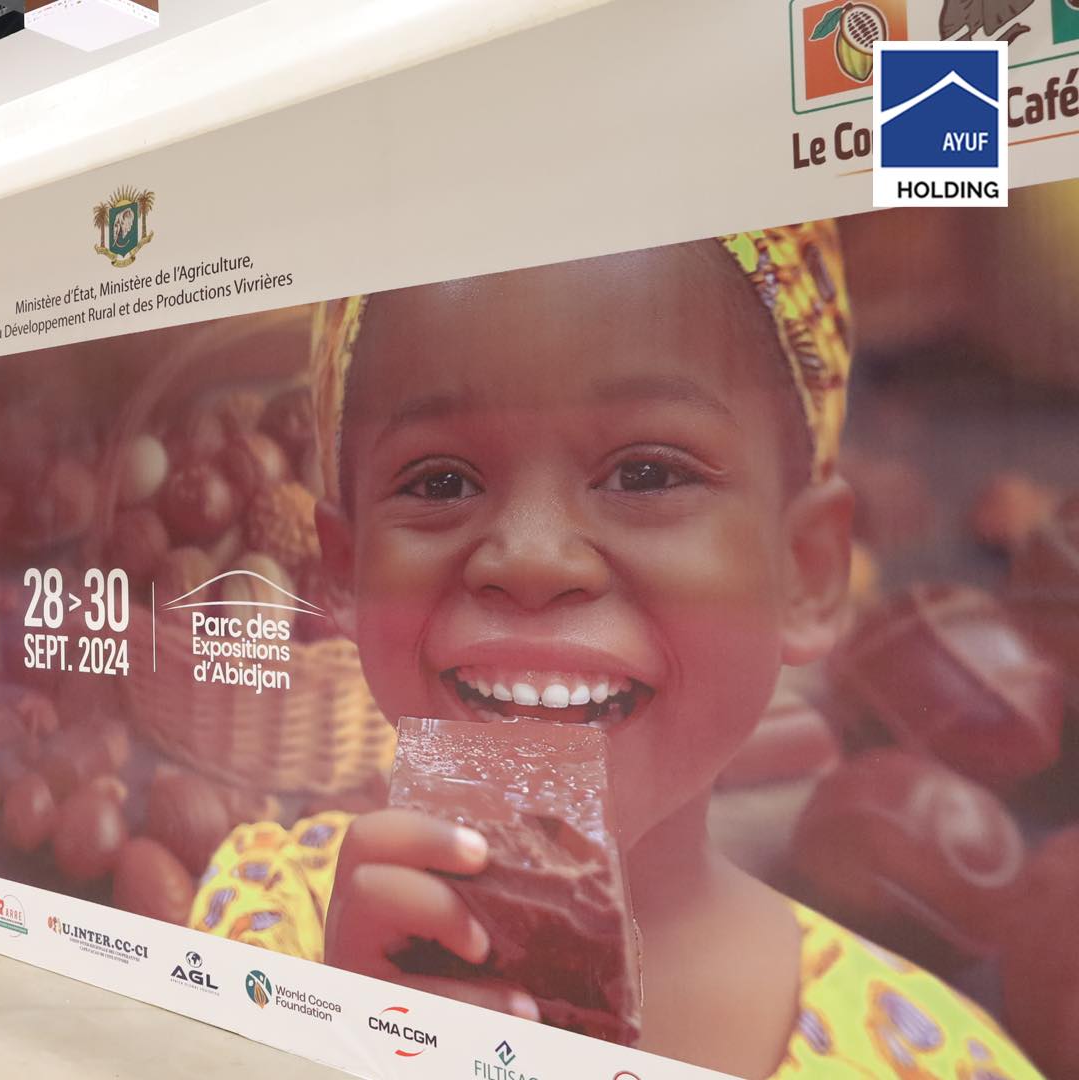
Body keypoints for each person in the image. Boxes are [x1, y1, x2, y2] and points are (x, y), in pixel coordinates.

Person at [186, 224, 1043, 1078]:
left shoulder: (940, 1058)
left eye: (647, 474)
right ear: (345, 573)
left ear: (806, 571)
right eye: (440, 481)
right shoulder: (269, 927)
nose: (529, 557)